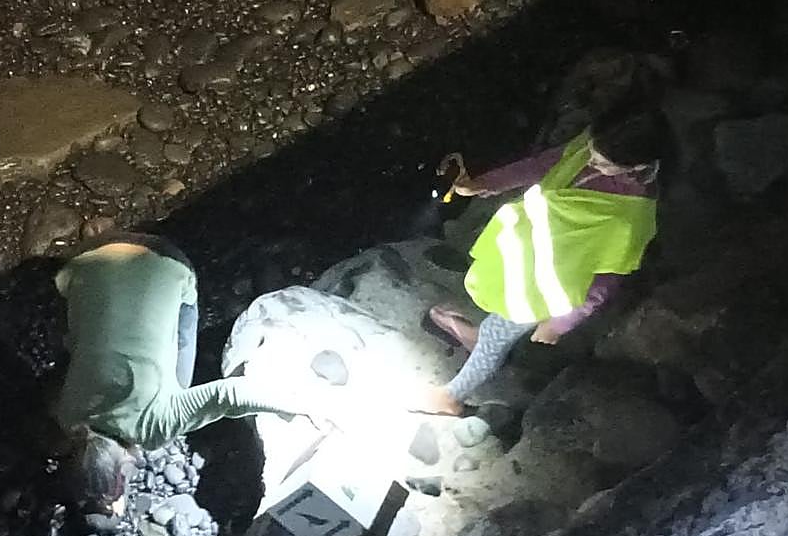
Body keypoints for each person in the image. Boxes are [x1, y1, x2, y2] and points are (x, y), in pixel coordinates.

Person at [53, 230, 354, 510]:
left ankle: (178, 299)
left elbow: (230, 395)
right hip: (87, 259)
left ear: (122, 465)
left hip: (166, 259)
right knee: (86, 345)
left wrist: (306, 403)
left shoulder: (153, 428)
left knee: (180, 386)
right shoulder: (68, 415)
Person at [413, 103, 669, 416]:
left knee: (498, 332)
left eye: (603, 164)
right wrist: (484, 183)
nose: (590, 161)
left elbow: (606, 280)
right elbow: (543, 164)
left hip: (548, 284)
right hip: (526, 251)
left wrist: (559, 324)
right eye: (591, 151)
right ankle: (480, 338)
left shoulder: (629, 217)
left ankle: (451, 397)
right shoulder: (598, 143)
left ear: (635, 166)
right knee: (493, 297)